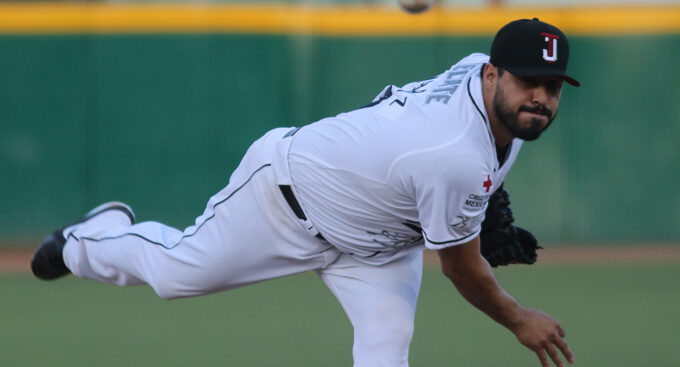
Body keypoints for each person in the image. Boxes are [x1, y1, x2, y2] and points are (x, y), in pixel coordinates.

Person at [32, 18, 578, 367]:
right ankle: (92, 237)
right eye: (526, 80)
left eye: (551, 87)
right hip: (286, 199)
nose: (539, 97)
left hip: (378, 242)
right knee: (176, 275)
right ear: (490, 75)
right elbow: (461, 267)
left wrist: (475, 196)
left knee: (387, 343)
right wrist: (518, 317)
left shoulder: (474, 82)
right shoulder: (454, 155)